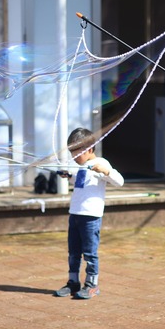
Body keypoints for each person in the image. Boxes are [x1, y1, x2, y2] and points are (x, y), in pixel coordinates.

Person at [54, 127, 124, 300]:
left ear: (90, 149)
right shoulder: (82, 167)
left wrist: (106, 171)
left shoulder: (101, 163)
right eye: (71, 153)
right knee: (73, 252)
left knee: (90, 253)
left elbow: (119, 181)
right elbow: (82, 183)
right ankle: (73, 283)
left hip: (91, 217)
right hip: (75, 214)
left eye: (76, 153)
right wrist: (69, 176)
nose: (74, 157)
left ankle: (92, 285)